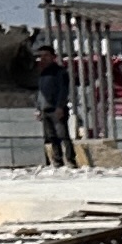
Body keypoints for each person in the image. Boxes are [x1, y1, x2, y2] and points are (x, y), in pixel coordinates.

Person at [30, 39, 73, 168]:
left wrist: (60, 106)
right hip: (45, 109)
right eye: (40, 56)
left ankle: (71, 160)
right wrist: (38, 108)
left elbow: (63, 90)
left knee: (63, 135)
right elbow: (39, 93)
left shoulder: (60, 72)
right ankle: (57, 160)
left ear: (53, 57)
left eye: (46, 55)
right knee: (51, 137)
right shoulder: (41, 74)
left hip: (56, 109)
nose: (43, 58)